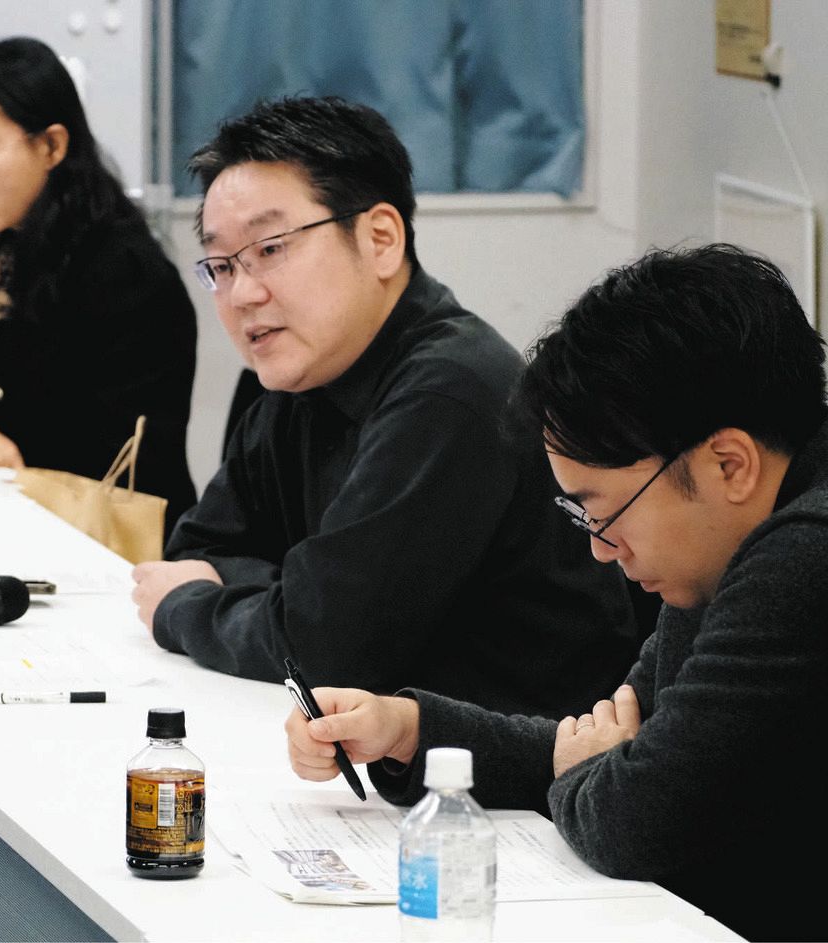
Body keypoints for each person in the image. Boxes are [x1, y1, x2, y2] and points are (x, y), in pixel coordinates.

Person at [285, 244, 828, 942]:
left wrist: (603, 771)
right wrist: (411, 732)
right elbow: (619, 752)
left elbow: (635, 817)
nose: (600, 548)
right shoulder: (737, 535)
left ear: (729, 463)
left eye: (605, 511)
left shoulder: (821, 550)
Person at [131, 95, 641, 716]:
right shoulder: (300, 371)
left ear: (380, 239)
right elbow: (197, 550)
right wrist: (286, 597)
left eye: (269, 249)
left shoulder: (451, 392)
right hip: (368, 742)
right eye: (221, 266)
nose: (242, 294)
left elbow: (321, 647)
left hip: (511, 760)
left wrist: (188, 608)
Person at [0, 37, 198, 536]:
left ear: (51, 146)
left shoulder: (123, 273)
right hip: (16, 519)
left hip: (110, 541)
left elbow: (100, 463)